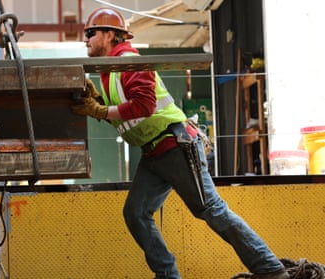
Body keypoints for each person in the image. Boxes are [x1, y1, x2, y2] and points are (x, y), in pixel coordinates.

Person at [71, 7, 289, 279]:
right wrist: (101, 104)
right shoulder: (110, 70)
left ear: (111, 35)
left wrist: (101, 110)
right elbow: (125, 112)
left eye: (91, 33)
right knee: (136, 213)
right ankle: (167, 275)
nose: (86, 39)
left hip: (174, 144)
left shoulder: (129, 60)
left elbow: (145, 105)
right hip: (155, 153)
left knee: (211, 210)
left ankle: (270, 269)